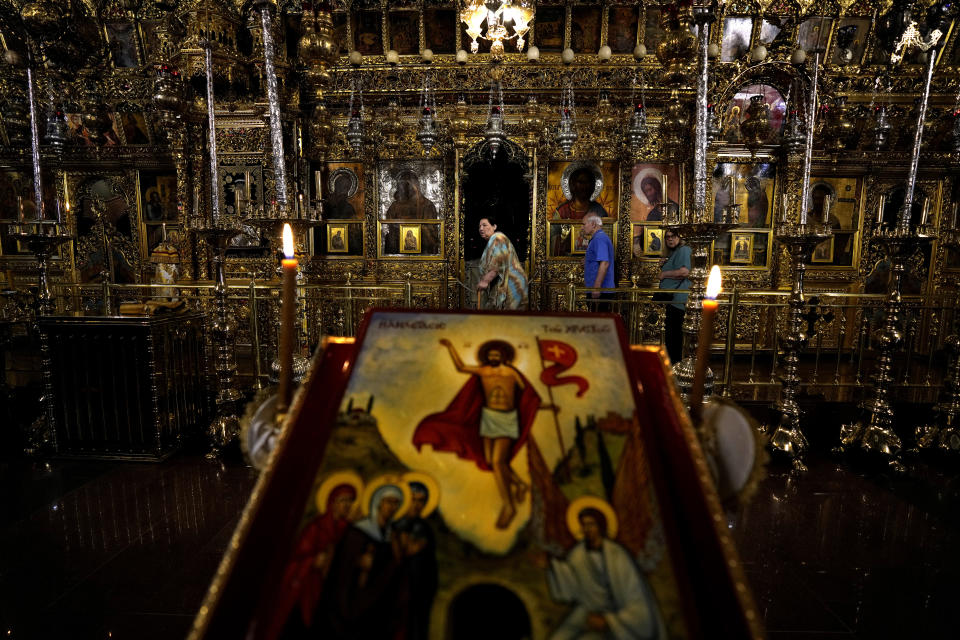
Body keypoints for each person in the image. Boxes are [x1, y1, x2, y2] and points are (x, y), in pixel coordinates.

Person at [412, 339, 544, 529]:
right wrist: (451, 347)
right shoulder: (483, 371)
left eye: (497, 355)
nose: (493, 358)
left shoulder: (511, 372)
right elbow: (461, 367)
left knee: (498, 462)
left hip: (506, 418)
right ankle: (520, 485)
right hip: (488, 417)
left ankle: (509, 506)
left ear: (504, 357)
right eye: (491, 355)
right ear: (486, 357)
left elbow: (528, 396)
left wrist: (540, 407)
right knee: (491, 461)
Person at [314, 483, 421, 638]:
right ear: (378, 502)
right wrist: (359, 562)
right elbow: (342, 566)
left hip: (378, 607)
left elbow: (396, 570)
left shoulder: (394, 536)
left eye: (396, 503)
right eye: (388, 501)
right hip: (352, 599)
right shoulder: (357, 531)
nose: (392, 507)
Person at [546, 507, 666, 640]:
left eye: (591, 524)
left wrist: (608, 621)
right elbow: (570, 585)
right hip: (586, 611)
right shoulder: (577, 554)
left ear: (601, 526)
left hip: (615, 616)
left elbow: (636, 598)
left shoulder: (617, 555)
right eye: (584, 525)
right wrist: (551, 566)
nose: (587, 529)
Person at [272, 483, 358, 636]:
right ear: (332, 503)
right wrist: (313, 560)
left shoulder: (348, 529)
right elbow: (298, 556)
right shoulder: (316, 527)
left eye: (350, 501)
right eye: (343, 500)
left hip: (332, 590)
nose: (347, 505)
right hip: (308, 587)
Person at [391, 481, 438, 640]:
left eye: (421, 501)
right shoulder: (393, 523)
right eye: (413, 499)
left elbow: (413, 549)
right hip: (393, 584)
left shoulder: (423, 527)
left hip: (416, 586)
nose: (417, 505)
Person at [476, 216, 528, 310]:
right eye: (479, 226)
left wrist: (485, 281)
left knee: (508, 320)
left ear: (494, 226)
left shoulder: (498, 238)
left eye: (484, 225)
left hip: (512, 284)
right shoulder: (493, 241)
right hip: (507, 283)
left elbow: (498, 262)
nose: (481, 229)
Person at [658, 229, 691, 365]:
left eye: (673, 236)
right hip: (673, 299)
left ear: (680, 236)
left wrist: (664, 274)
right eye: (667, 237)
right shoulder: (676, 252)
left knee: (674, 336)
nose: (670, 239)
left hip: (679, 299)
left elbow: (684, 272)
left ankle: (675, 366)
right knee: (672, 335)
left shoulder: (684, 250)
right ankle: (673, 364)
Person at [582, 213, 614, 308]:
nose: (582, 227)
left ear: (593, 224)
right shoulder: (598, 238)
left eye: (584, 224)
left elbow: (604, 263)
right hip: (598, 290)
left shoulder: (599, 239)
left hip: (601, 291)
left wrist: (596, 287)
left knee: (598, 321)